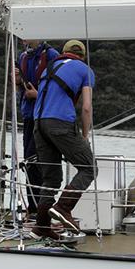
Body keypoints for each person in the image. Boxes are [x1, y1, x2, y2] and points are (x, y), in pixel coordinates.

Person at [31, 39, 96, 240]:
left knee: (51, 178)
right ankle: (63, 207)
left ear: (64, 53)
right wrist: (84, 137)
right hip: (60, 124)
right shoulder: (85, 70)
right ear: (82, 56)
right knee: (89, 168)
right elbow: (86, 107)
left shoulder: (48, 68)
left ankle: (41, 226)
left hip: (38, 125)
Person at [15, 40, 59, 219]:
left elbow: (55, 88)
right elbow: (22, 90)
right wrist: (18, 82)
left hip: (44, 116)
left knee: (43, 161)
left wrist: (37, 94)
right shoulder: (23, 56)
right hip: (28, 115)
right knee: (30, 161)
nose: (24, 39)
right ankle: (33, 208)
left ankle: (44, 208)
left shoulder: (51, 56)